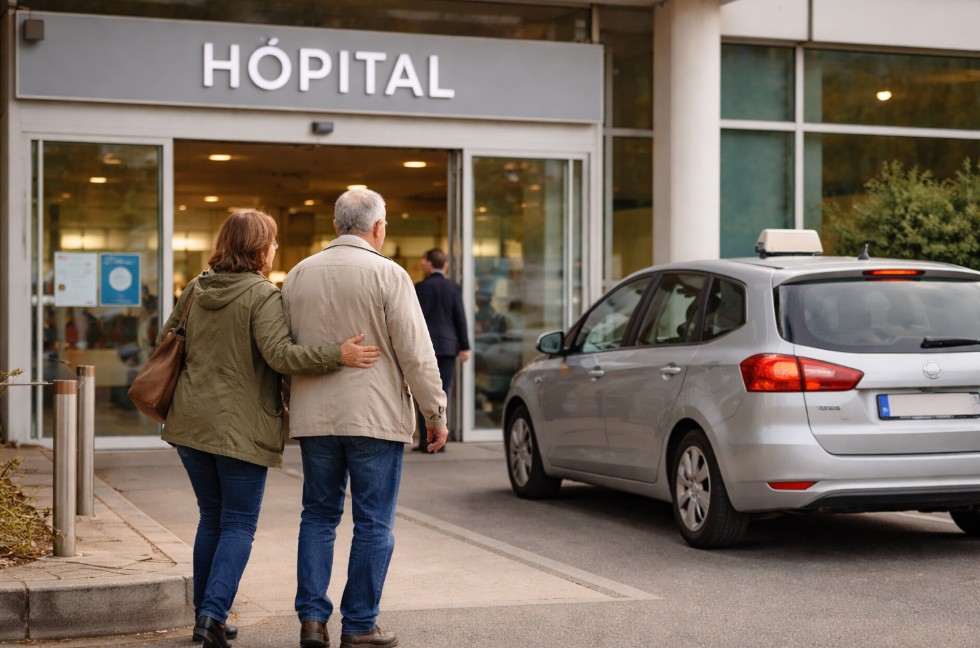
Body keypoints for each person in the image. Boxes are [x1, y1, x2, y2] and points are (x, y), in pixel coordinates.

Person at [159, 208, 380, 648]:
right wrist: (338, 355)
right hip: (240, 429)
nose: (275, 248)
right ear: (260, 247)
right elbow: (281, 356)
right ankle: (211, 616)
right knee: (238, 524)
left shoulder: (195, 289)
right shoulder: (262, 295)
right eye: (273, 241)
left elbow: (168, 340)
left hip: (189, 423)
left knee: (212, 519)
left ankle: (209, 617)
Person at [282, 188, 448, 648]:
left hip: (316, 419)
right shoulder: (389, 274)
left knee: (317, 516)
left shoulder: (297, 275)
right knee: (374, 522)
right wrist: (435, 411)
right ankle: (359, 625)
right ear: (378, 228)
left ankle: (312, 622)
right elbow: (416, 353)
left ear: (337, 226)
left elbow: (284, 349)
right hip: (374, 416)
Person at [413, 248, 470, 452]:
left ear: (429, 263)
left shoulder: (420, 287)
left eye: (423, 261)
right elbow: (459, 317)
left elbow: (414, 321)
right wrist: (464, 346)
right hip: (447, 346)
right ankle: (440, 441)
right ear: (444, 265)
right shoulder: (452, 287)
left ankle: (426, 441)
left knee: (423, 392)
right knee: (442, 392)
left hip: (425, 347)